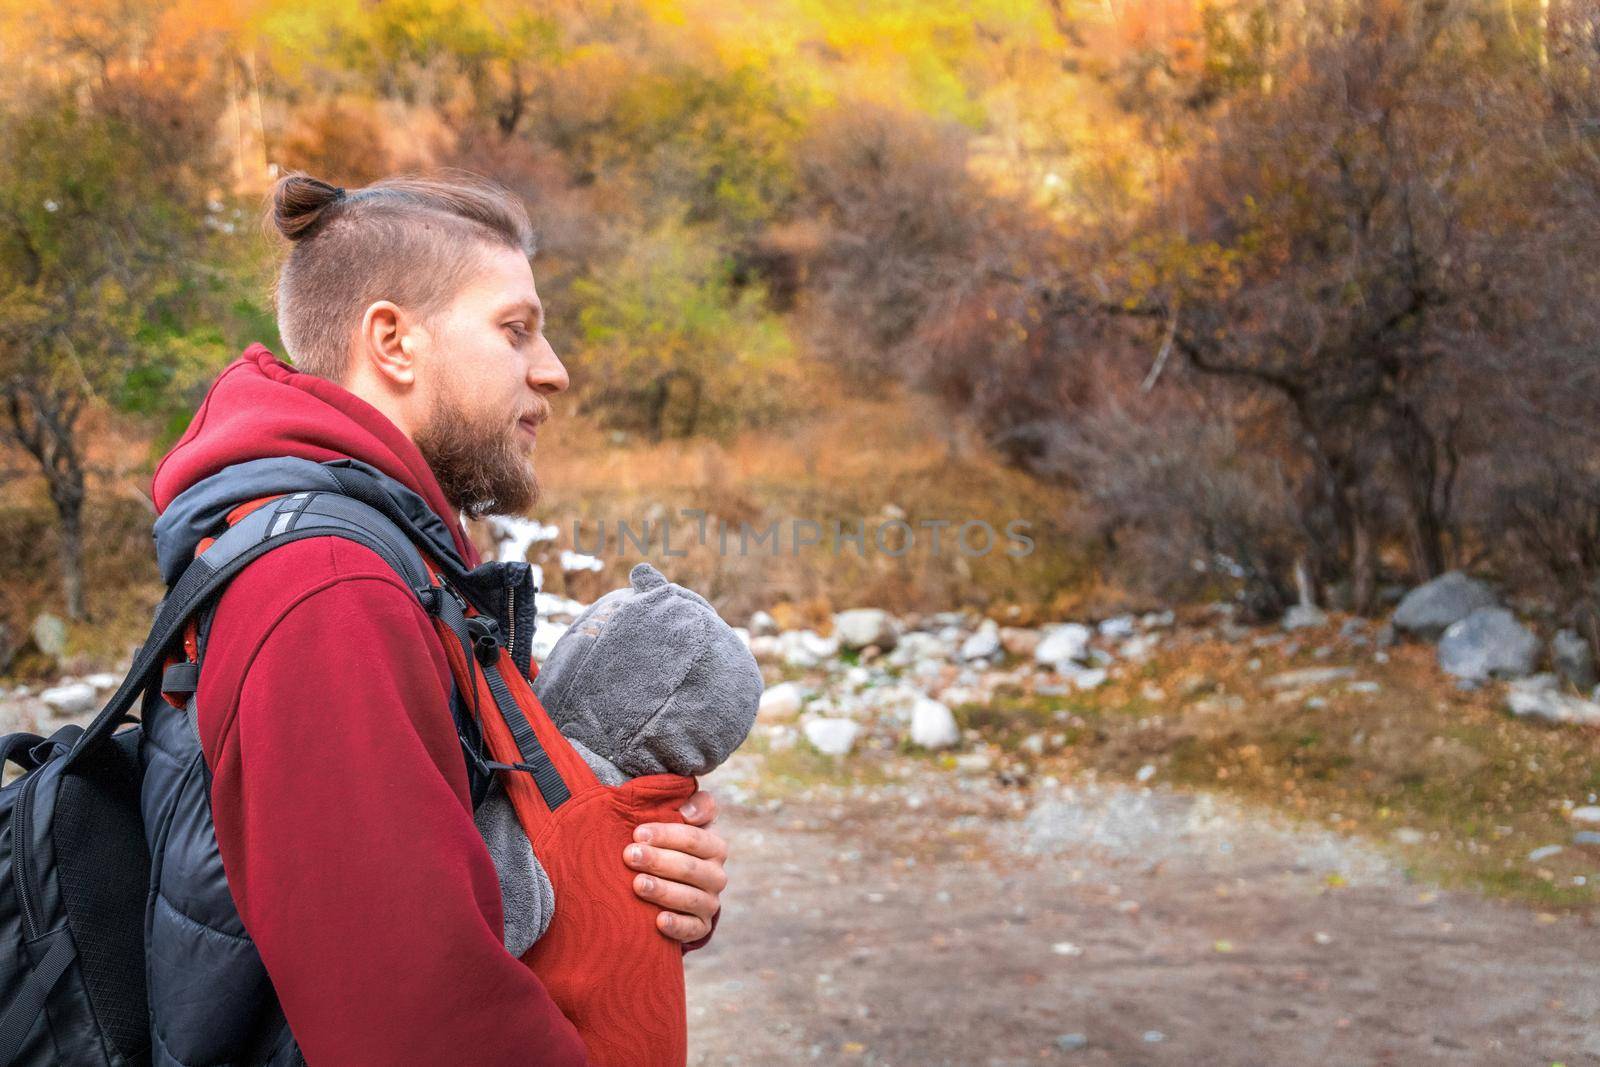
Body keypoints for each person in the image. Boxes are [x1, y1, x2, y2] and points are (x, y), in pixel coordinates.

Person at [143, 170, 729, 1066]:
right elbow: (413, 1024)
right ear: (394, 342)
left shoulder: (392, 556)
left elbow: (463, 875)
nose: (554, 370)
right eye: (515, 329)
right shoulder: (330, 587)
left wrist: (633, 874)